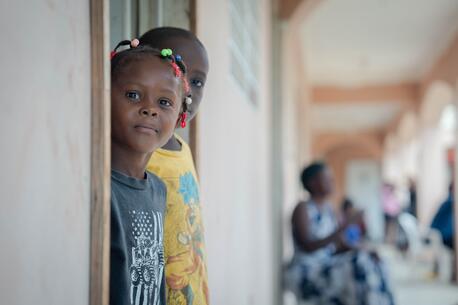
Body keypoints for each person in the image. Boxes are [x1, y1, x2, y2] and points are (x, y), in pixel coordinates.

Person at [110, 40, 191, 305]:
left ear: (180, 115)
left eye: (164, 101)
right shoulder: (100, 186)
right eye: (133, 95)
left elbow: (155, 277)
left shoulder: (157, 190)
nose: (150, 109)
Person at [139, 28, 210, 305]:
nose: (187, 89)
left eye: (198, 81)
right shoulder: (137, 154)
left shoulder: (184, 151)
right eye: (176, 71)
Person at [286, 162, 395, 305]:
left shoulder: (329, 209)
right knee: (359, 267)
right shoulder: (303, 208)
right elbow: (308, 246)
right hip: (307, 270)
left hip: (327, 265)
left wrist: (365, 249)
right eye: (326, 179)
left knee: (374, 262)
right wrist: (344, 227)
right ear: (312, 183)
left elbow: (337, 246)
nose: (332, 182)